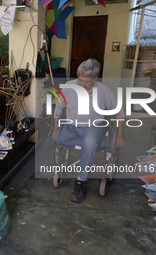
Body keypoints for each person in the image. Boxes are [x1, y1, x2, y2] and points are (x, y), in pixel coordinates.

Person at [51, 58, 126, 203]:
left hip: (94, 127)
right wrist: (55, 129)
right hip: (72, 126)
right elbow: (58, 109)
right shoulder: (68, 87)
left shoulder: (103, 91)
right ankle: (101, 140)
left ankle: (80, 181)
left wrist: (120, 134)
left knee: (90, 142)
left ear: (95, 80)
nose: (82, 84)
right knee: (58, 138)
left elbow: (120, 112)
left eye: (86, 82)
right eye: (80, 79)